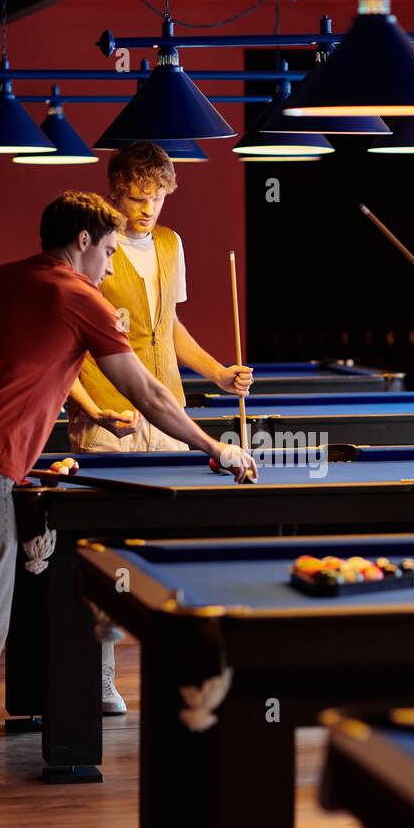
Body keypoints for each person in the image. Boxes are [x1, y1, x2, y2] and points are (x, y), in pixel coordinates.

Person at [0, 191, 255, 811]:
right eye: (110, 251)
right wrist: (212, 447)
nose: (113, 266)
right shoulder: (81, 297)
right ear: (83, 241)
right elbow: (146, 393)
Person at [66, 141, 253, 712]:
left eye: (158, 197)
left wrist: (218, 372)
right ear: (114, 191)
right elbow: (66, 336)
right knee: (105, 549)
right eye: (137, 196)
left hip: (168, 412)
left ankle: (178, 667)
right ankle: (99, 675)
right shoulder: (91, 241)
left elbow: (170, 326)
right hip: (111, 413)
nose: (148, 208)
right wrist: (87, 407)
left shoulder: (171, 244)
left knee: (168, 542)